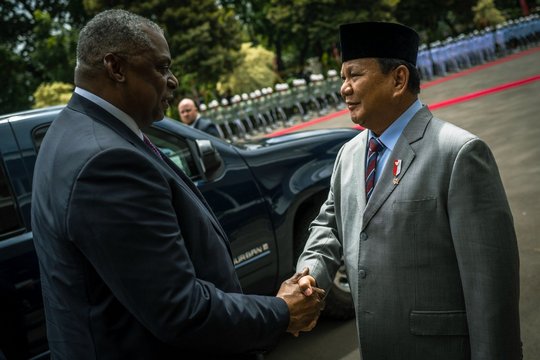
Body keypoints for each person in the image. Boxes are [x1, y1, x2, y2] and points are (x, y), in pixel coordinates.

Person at [31, 9, 324, 359]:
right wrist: (282, 311)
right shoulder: (106, 161)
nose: (172, 81)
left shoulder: (70, 131)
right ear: (116, 68)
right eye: (161, 67)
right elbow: (179, 309)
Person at [296, 21, 522, 359]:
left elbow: (490, 288)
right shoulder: (349, 154)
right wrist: (310, 276)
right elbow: (329, 226)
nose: (344, 89)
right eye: (342, 78)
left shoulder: (458, 153)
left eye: (354, 75)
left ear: (398, 79)